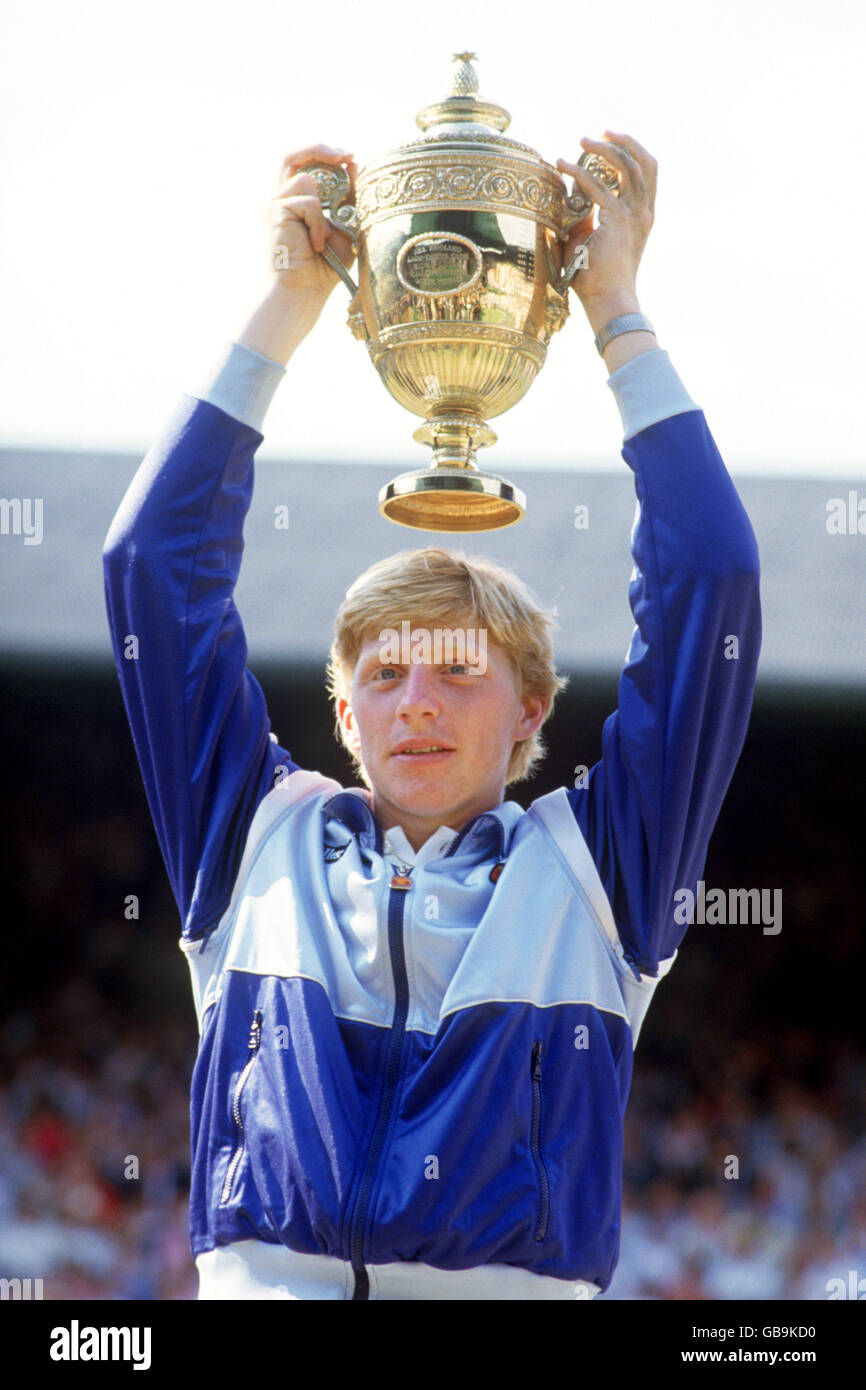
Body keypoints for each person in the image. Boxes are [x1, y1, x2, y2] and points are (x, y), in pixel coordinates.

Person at [102, 136, 761, 1300]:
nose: (416, 701)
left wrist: (613, 308)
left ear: (530, 712)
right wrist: (291, 301)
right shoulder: (249, 838)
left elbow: (710, 577)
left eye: (458, 671)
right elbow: (150, 564)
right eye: (387, 674)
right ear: (343, 715)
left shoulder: (601, 870)